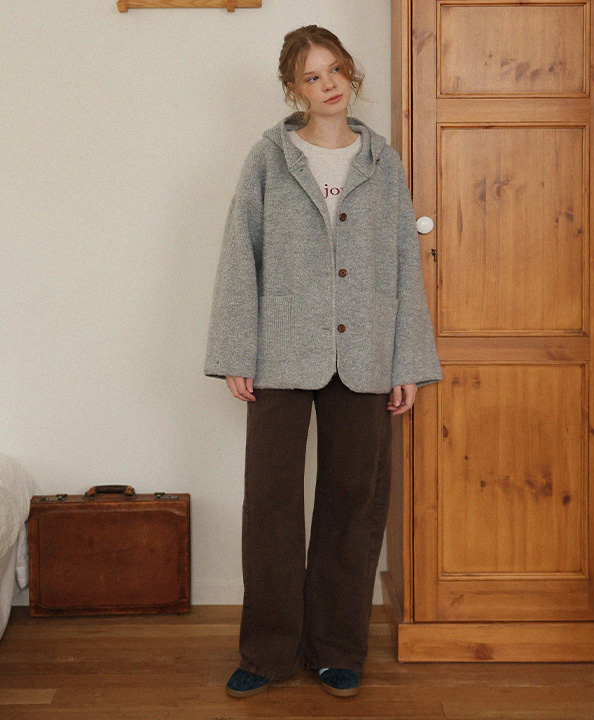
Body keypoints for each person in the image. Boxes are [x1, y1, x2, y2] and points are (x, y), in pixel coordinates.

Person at [204, 25, 442, 698]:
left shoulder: (383, 162)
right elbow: (239, 254)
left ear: (349, 73)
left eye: (335, 69)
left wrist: (407, 362)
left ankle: (338, 648)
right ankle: (267, 652)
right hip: (280, 351)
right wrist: (236, 351)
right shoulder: (268, 158)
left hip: (367, 352)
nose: (329, 83)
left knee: (353, 503)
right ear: (294, 88)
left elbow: (403, 264)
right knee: (271, 503)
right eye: (313, 76)